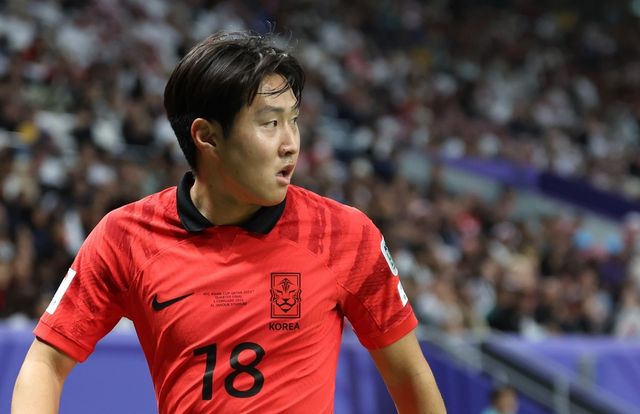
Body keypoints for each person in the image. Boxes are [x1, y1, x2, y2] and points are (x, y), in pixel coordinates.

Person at [11, 32, 446, 413]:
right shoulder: (125, 238)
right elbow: (45, 361)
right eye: (270, 123)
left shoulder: (345, 234)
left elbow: (409, 374)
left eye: (293, 121)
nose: (291, 144)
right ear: (207, 136)